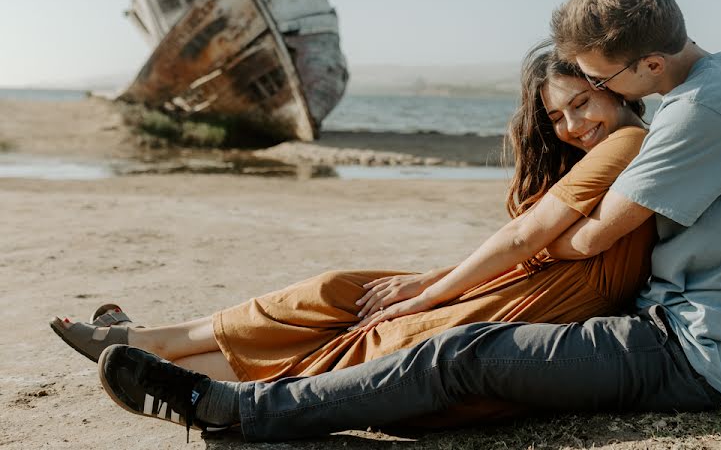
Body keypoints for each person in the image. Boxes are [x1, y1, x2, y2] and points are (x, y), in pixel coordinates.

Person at [96, 0, 721, 443]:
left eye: (594, 79)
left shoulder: (706, 108)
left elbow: (590, 239)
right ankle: (181, 360)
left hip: (685, 351)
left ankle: (238, 410)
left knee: (458, 354)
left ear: (647, 64)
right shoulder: (700, 95)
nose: (593, 95)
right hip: (662, 325)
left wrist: (501, 260)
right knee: (388, 316)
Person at [54, 47, 655, 391]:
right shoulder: (616, 147)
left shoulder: (626, 140)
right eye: (557, 116)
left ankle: (161, 368)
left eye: (583, 103)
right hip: (535, 282)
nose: (573, 126)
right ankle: (153, 347)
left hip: (552, 298)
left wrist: (423, 293)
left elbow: (529, 237)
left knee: (375, 336)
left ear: (617, 88)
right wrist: (428, 283)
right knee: (343, 292)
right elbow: (548, 241)